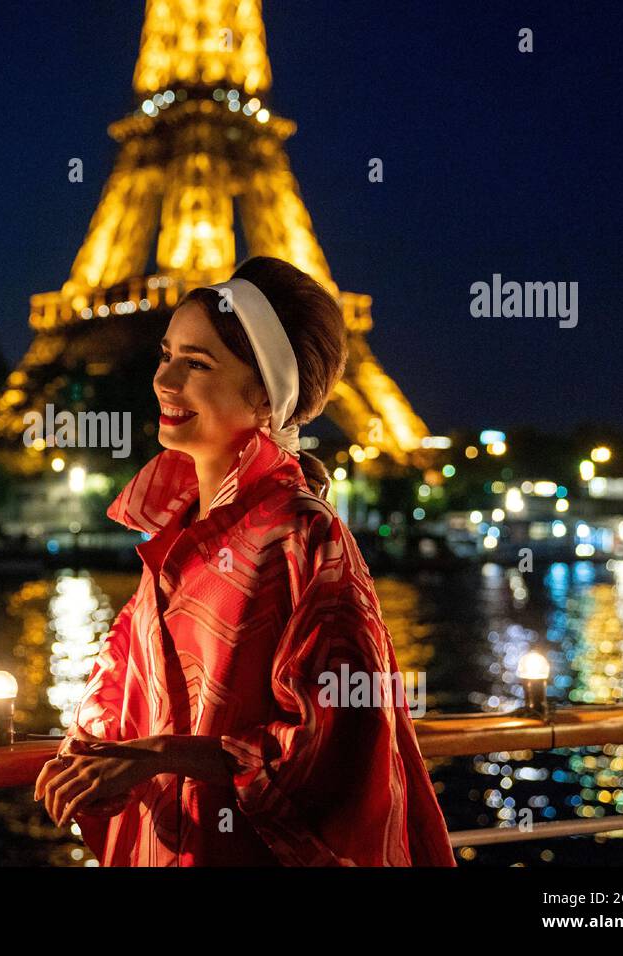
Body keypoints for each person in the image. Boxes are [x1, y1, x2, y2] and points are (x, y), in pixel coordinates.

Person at [34, 256, 457, 866]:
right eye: (166, 355)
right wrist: (97, 756)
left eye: (197, 363)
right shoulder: (179, 532)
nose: (164, 380)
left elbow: (336, 745)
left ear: (264, 393)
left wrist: (162, 755)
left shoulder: (302, 532)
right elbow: (121, 688)